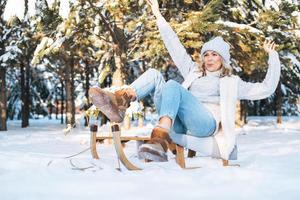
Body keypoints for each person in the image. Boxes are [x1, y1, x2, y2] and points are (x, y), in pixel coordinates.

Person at [89, 0, 281, 162]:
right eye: (206, 54)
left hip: (205, 124)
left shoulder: (230, 81)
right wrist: (157, 14)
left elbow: (266, 89)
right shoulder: (193, 71)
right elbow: (174, 45)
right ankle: (121, 101)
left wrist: (272, 57)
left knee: (173, 86)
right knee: (155, 74)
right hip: (178, 121)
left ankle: (160, 138)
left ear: (222, 59)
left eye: (215, 55)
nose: (209, 58)